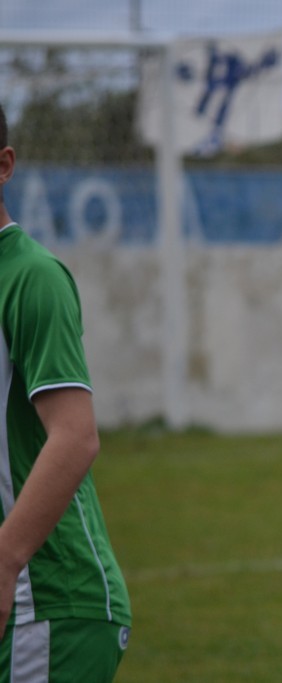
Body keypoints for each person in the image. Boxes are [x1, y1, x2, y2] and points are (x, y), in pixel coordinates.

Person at [0, 103, 132, 680]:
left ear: (4, 165)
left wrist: (4, 562)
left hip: (44, 604)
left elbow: (75, 437)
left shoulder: (31, 277)